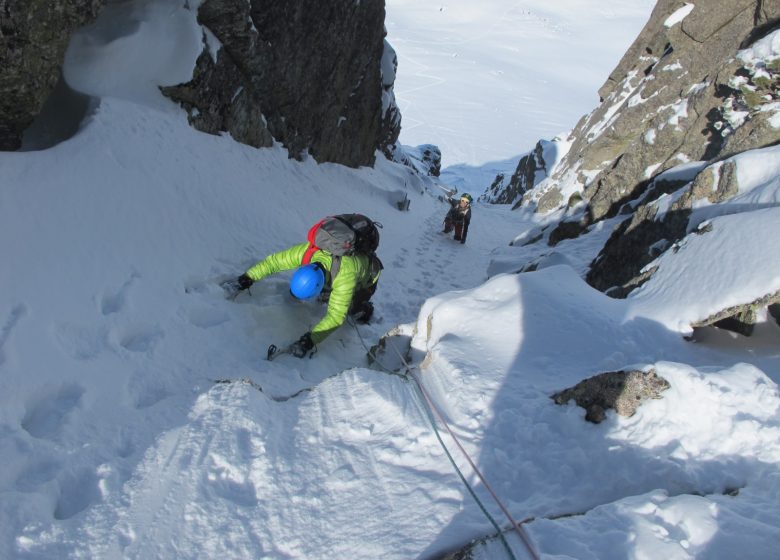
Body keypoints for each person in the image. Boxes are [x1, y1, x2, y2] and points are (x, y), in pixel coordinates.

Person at [231, 242, 381, 358]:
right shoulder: (308, 253)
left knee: (351, 307)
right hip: (334, 271)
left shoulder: (345, 278)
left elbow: (336, 317)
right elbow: (274, 262)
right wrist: (247, 278)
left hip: (367, 278)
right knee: (331, 292)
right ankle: (327, 293)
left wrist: (309, 341)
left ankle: (364, 310)